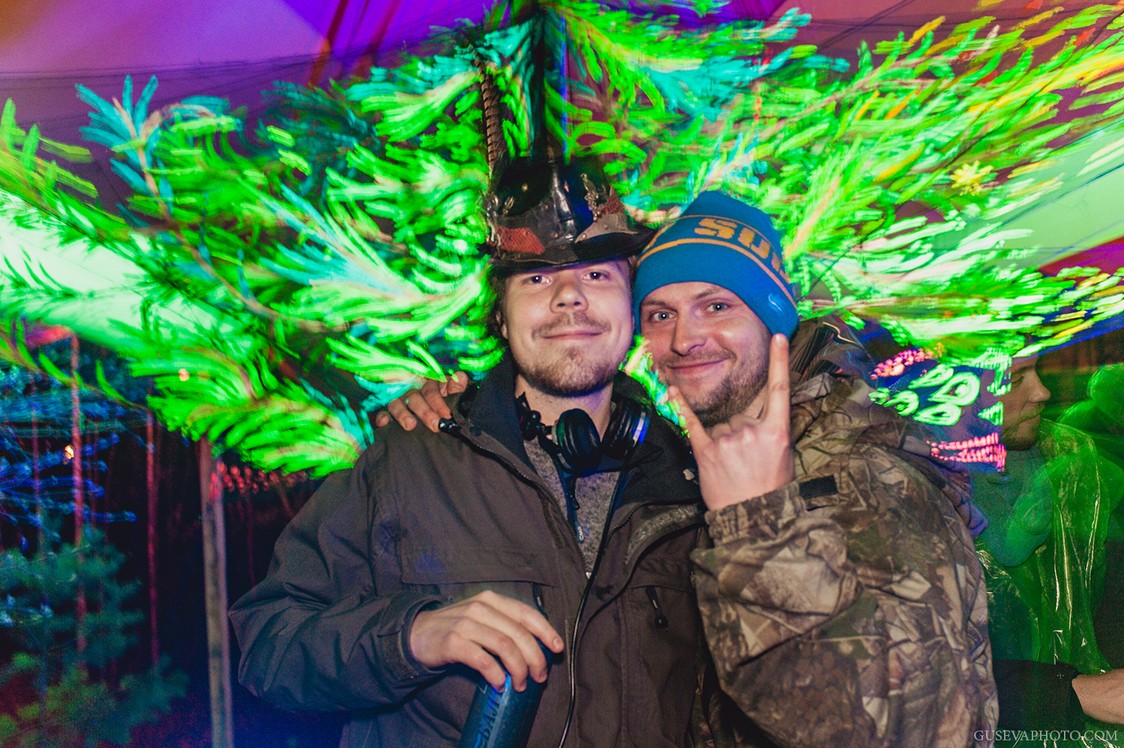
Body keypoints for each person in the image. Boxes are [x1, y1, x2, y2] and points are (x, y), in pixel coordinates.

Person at [391, 191, 1000, 745]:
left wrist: (759, 525)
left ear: (773, 317)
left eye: (717, 305)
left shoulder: (867, 477)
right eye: (661, 314)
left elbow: (915, 730)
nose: (686, 339)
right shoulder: (687, 466)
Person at [229, 157, 710, 746]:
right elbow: (268, 645)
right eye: (536, 279)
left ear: (632, 308)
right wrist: (411, 638)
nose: (568, 297)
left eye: (595, 274)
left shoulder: (692, 482)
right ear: (501, 318)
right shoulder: (411, 457)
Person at [973, 356, 1124, 729]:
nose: (1042, 391)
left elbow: (1105, 590)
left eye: (1037, 370)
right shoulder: (898, 490)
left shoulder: (1071, 457)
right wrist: (1070, 693)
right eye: (1014, 379)